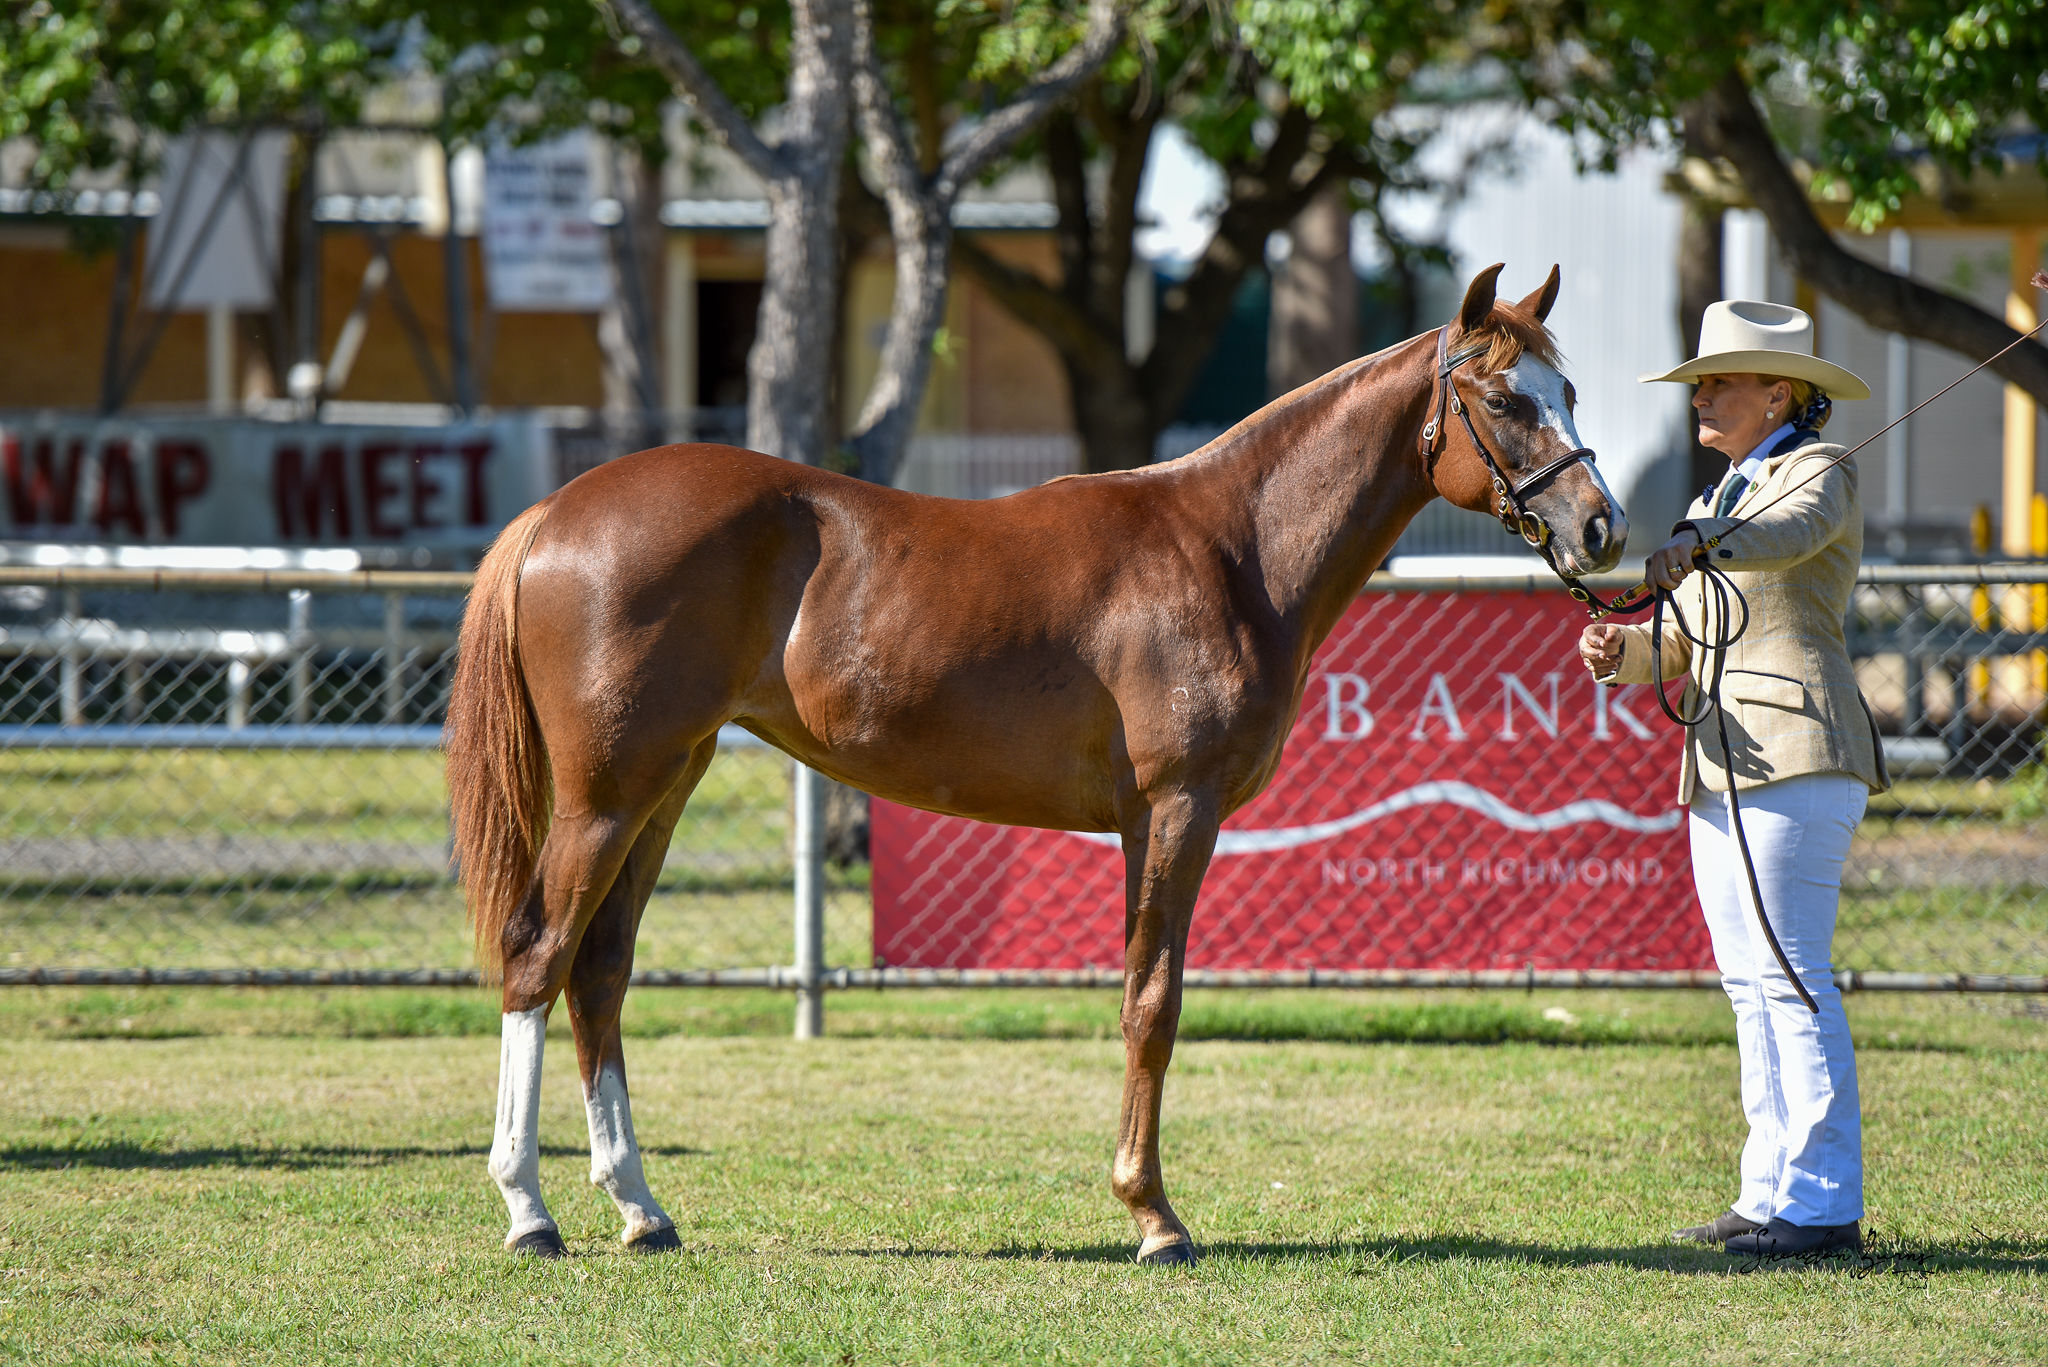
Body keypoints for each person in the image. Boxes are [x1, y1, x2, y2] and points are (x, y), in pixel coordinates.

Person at [1577, 300, 1890, 1257]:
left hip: (1800, 747)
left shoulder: (1816, 470)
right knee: (1748, 983)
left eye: (1719, 383)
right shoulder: (1719, 496)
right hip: (1719, 758)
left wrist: (1705, 540)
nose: (1701, 398)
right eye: (1699, 384)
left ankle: (1824, 1204)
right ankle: (1769, 1191)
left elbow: (1789, 533)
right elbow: (1683, 640)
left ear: (1780, 394)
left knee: (1790, 976)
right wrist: (1625, 651)